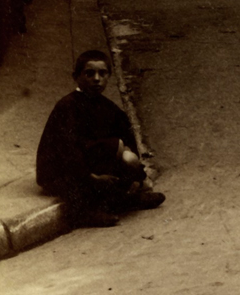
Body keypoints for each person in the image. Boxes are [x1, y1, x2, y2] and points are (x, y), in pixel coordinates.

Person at [36, 50, 165, 228]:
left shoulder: (108, 107)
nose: (96, 79)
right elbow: (68, 151)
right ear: (77, 77)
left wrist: (138, 176)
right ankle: (85, 213)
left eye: (102, 73)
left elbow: (128, 140)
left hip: (92, 161)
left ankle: (128, 199)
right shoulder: (68, 106)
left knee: (124, 154)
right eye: (89, 73)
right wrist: (92, 177)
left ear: (108, 76)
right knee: (88, 178)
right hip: (63, 170)